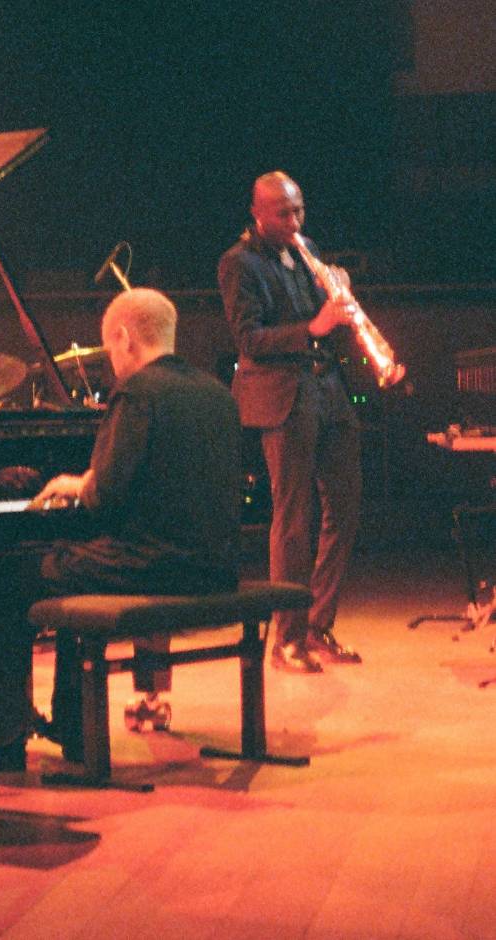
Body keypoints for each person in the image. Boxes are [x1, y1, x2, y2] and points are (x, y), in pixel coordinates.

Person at [0, 287, 242, 765]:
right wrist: (92, 479)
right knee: (67, 567)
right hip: (212, 567)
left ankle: (4, 744)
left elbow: (106, 500)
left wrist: (80, 486)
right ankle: (74, 729)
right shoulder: (216, 394)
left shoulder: (138, 392)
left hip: (151, 566)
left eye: (111, 349)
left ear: (124, 337)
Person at [218, 170, 363, 674]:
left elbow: (324, 321)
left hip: (328, 389)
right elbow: (249, 339)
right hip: (283, 395)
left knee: (344, 506)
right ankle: (288, 639)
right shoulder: (238, 264)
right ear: (257, 213)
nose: (295, 221)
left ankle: (320, 625)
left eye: (299, 209)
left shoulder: (306, 251)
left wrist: (339, 303)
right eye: (284, 213)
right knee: (293, 517)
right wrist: (314, 326)